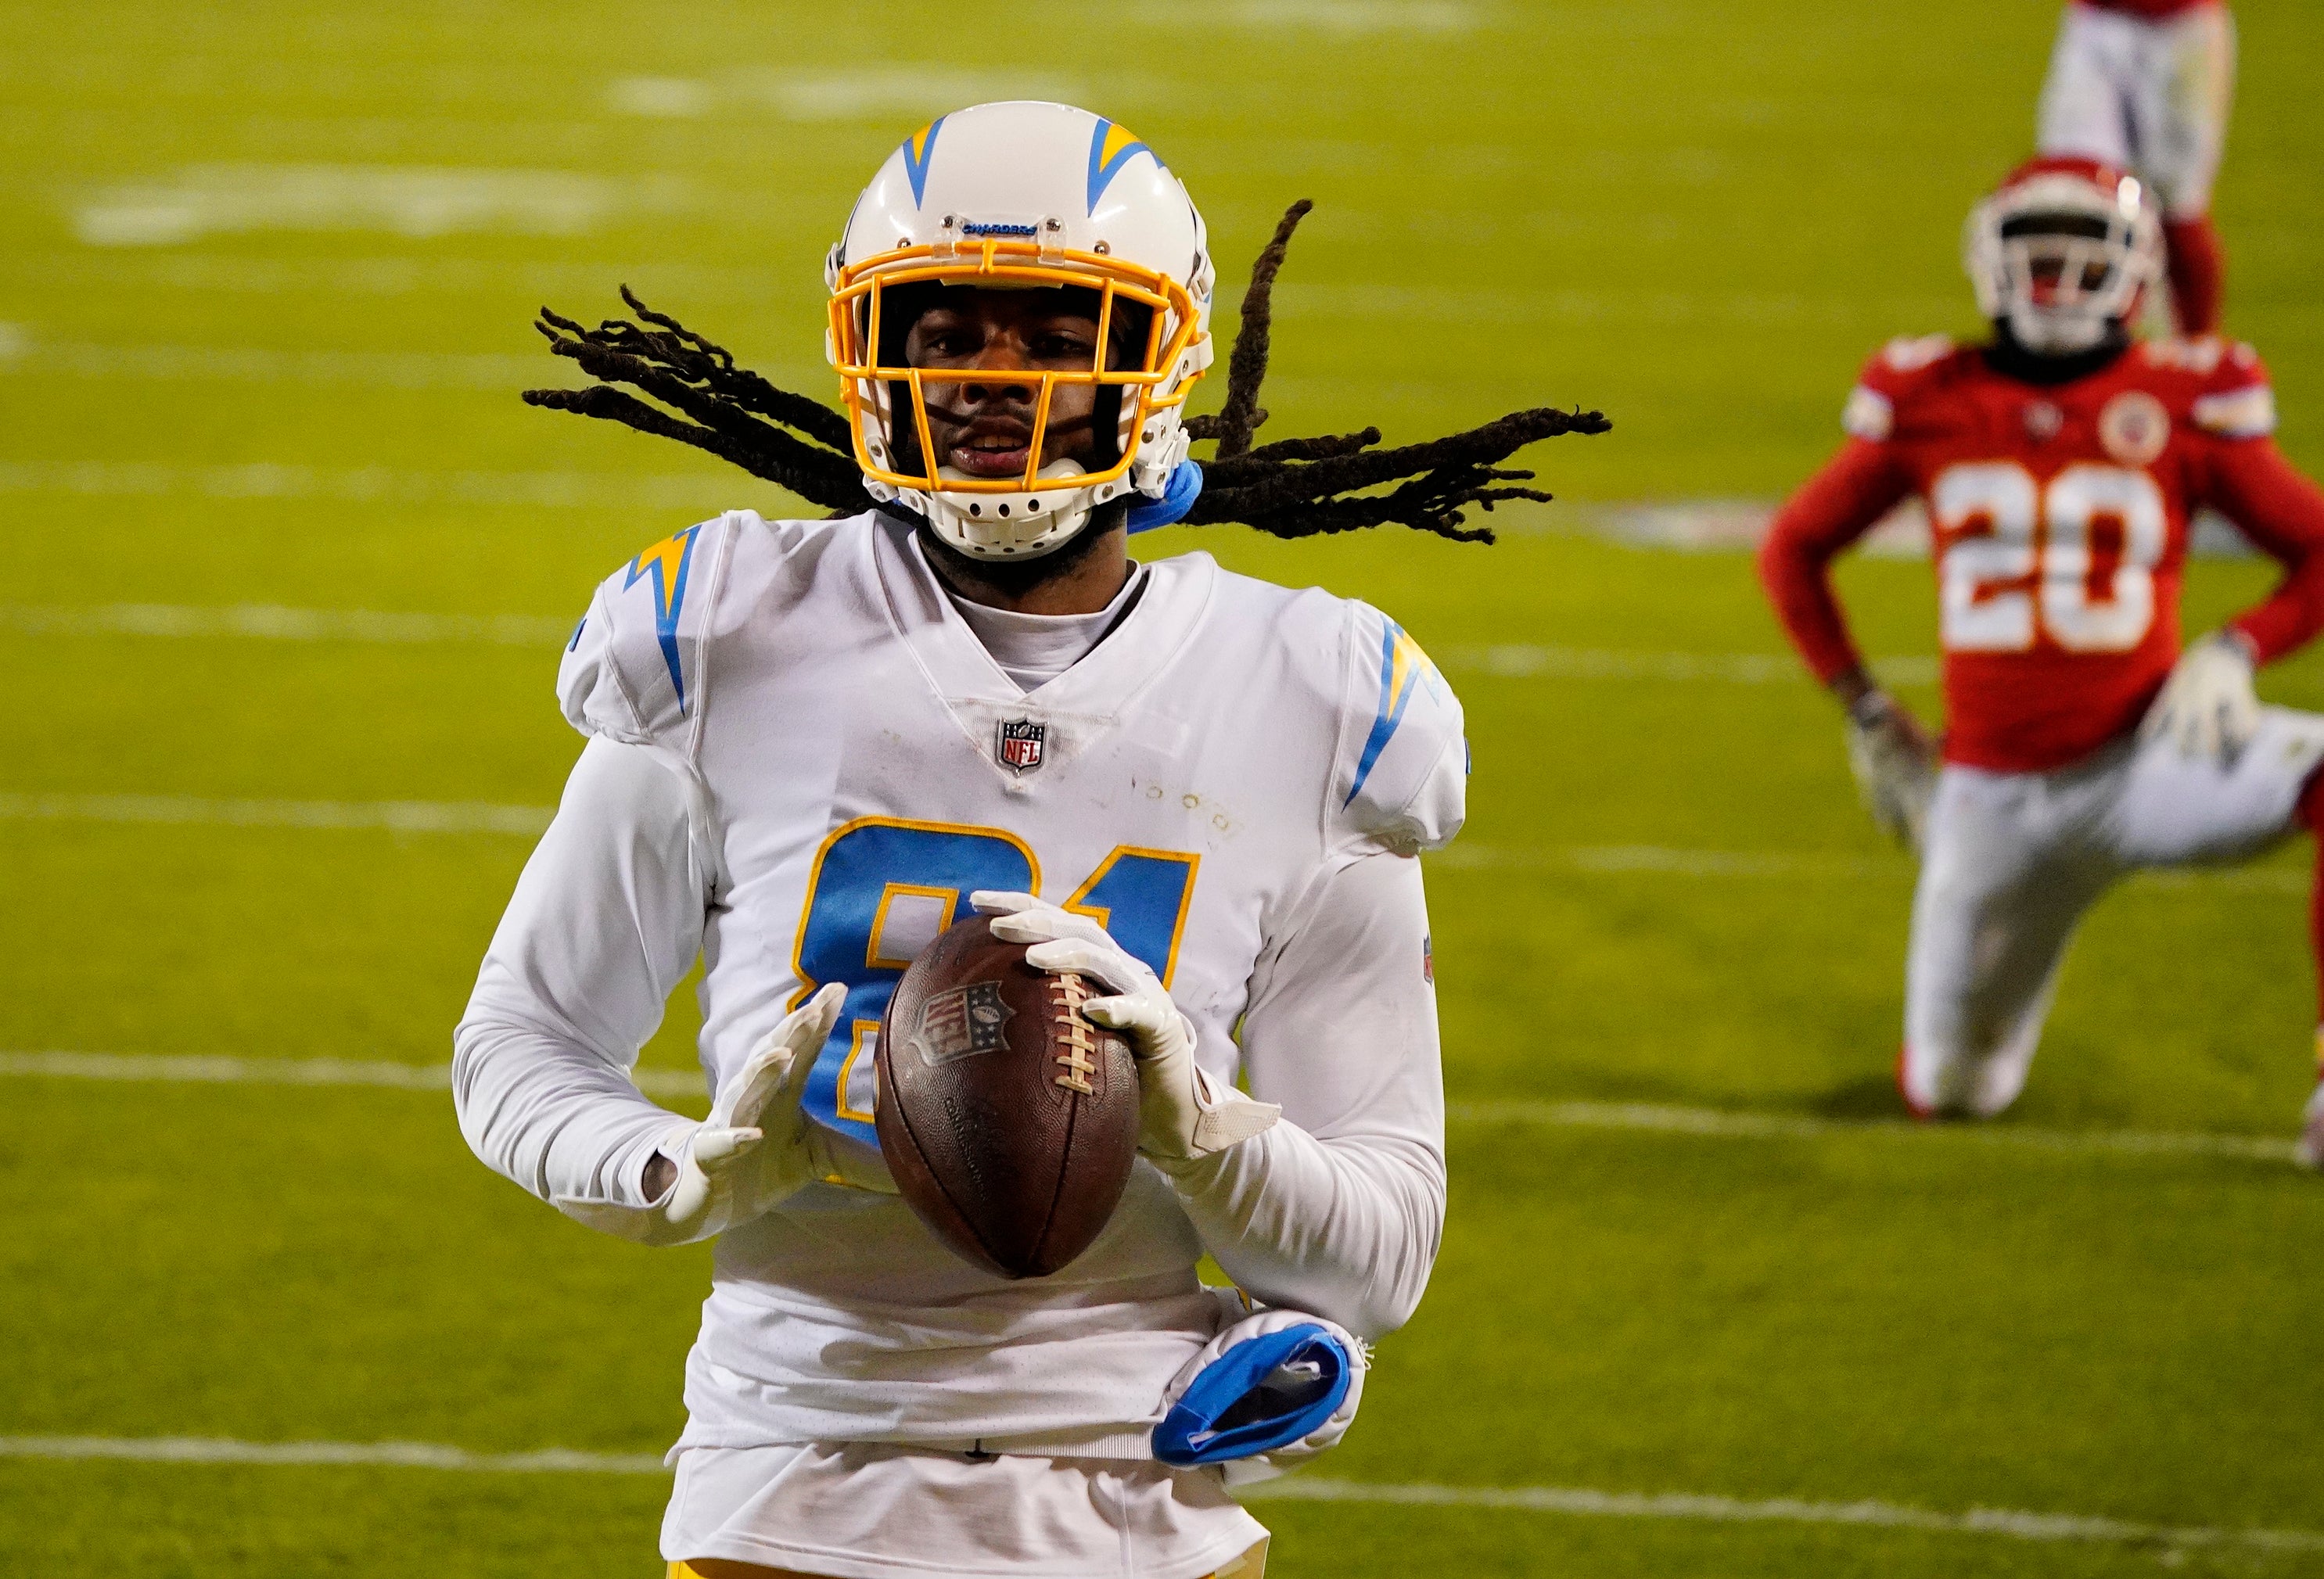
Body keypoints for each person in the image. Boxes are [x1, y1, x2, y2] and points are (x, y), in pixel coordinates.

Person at [453, 100, 1604, 1578]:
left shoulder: (1318, 697)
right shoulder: (722, 636)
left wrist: (1212, 1137)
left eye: (1053, 330)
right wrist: (684, 1167)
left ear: (1159, 359)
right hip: (794, 1467)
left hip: (1144, 1491)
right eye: (941, 326)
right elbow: (522, 1042)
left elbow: (1377, 1254)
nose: (988, 379)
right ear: (870, 349)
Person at [1756, 156, 2324, 1156]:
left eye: (2081, 256)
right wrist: (1863, 707)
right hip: (1992, 799)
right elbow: (1792, 548)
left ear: (2137, 272)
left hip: (2148, 759)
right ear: (1990, 260)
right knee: (1955, 1090)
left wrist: (2238, 646)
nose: (2057, 281)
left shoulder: (2185, 396)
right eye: (2037, 255)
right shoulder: (1928, 393)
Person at [2036, 0, 2236, 332]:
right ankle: (2090, 353)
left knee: (2175, 211)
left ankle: (2197, 353)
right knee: (2074, 192)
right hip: (2094, 23)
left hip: (2180, 28)